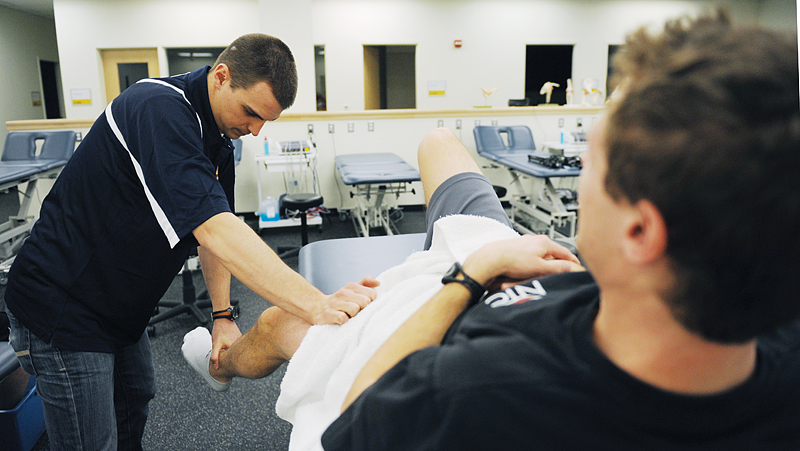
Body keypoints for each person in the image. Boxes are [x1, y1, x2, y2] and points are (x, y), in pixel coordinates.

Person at [184, 11, 800, 450]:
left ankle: (220, 363)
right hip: (525, 261)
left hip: (458, 288)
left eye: (594, 166)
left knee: (278, 325)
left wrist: (467, 277)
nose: (581, 180)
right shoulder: (774, 350)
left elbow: (357, 422)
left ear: (640, 233)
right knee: (440, 140)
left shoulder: (477, 394)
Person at [4, 33, 376, 451]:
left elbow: (215, 232)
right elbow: (216, 228)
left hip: (119, 303)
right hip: (63, 303)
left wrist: (222, 315)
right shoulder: (157, 107)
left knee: (134, 401)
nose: (254, 131)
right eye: (251, 113)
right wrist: (316, 304)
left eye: (265, 122)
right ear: (221, 76)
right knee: (92, 440)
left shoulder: (218, 136)